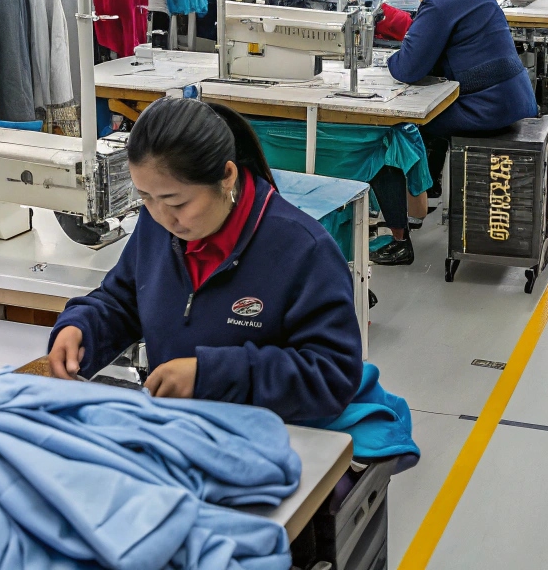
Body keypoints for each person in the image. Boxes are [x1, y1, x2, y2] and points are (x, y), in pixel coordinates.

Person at [48, 97, 363, 422]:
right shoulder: (157, 226)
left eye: (176, 202)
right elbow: (124, 299)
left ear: (227, 175)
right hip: (179, 429)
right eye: (146, 198)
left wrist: (210, 376)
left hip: (272, 439)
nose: (161, 216)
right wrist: (81, 327)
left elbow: (332, 375)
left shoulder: (303, 250)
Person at [379, 0, 538, 266]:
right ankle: (429, 190)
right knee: (430, 120)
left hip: (487, 109)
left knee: (397, 132)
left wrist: (388, 59)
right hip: (513, 98)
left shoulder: (438, 3)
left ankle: (403, 232)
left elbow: (408, 68)